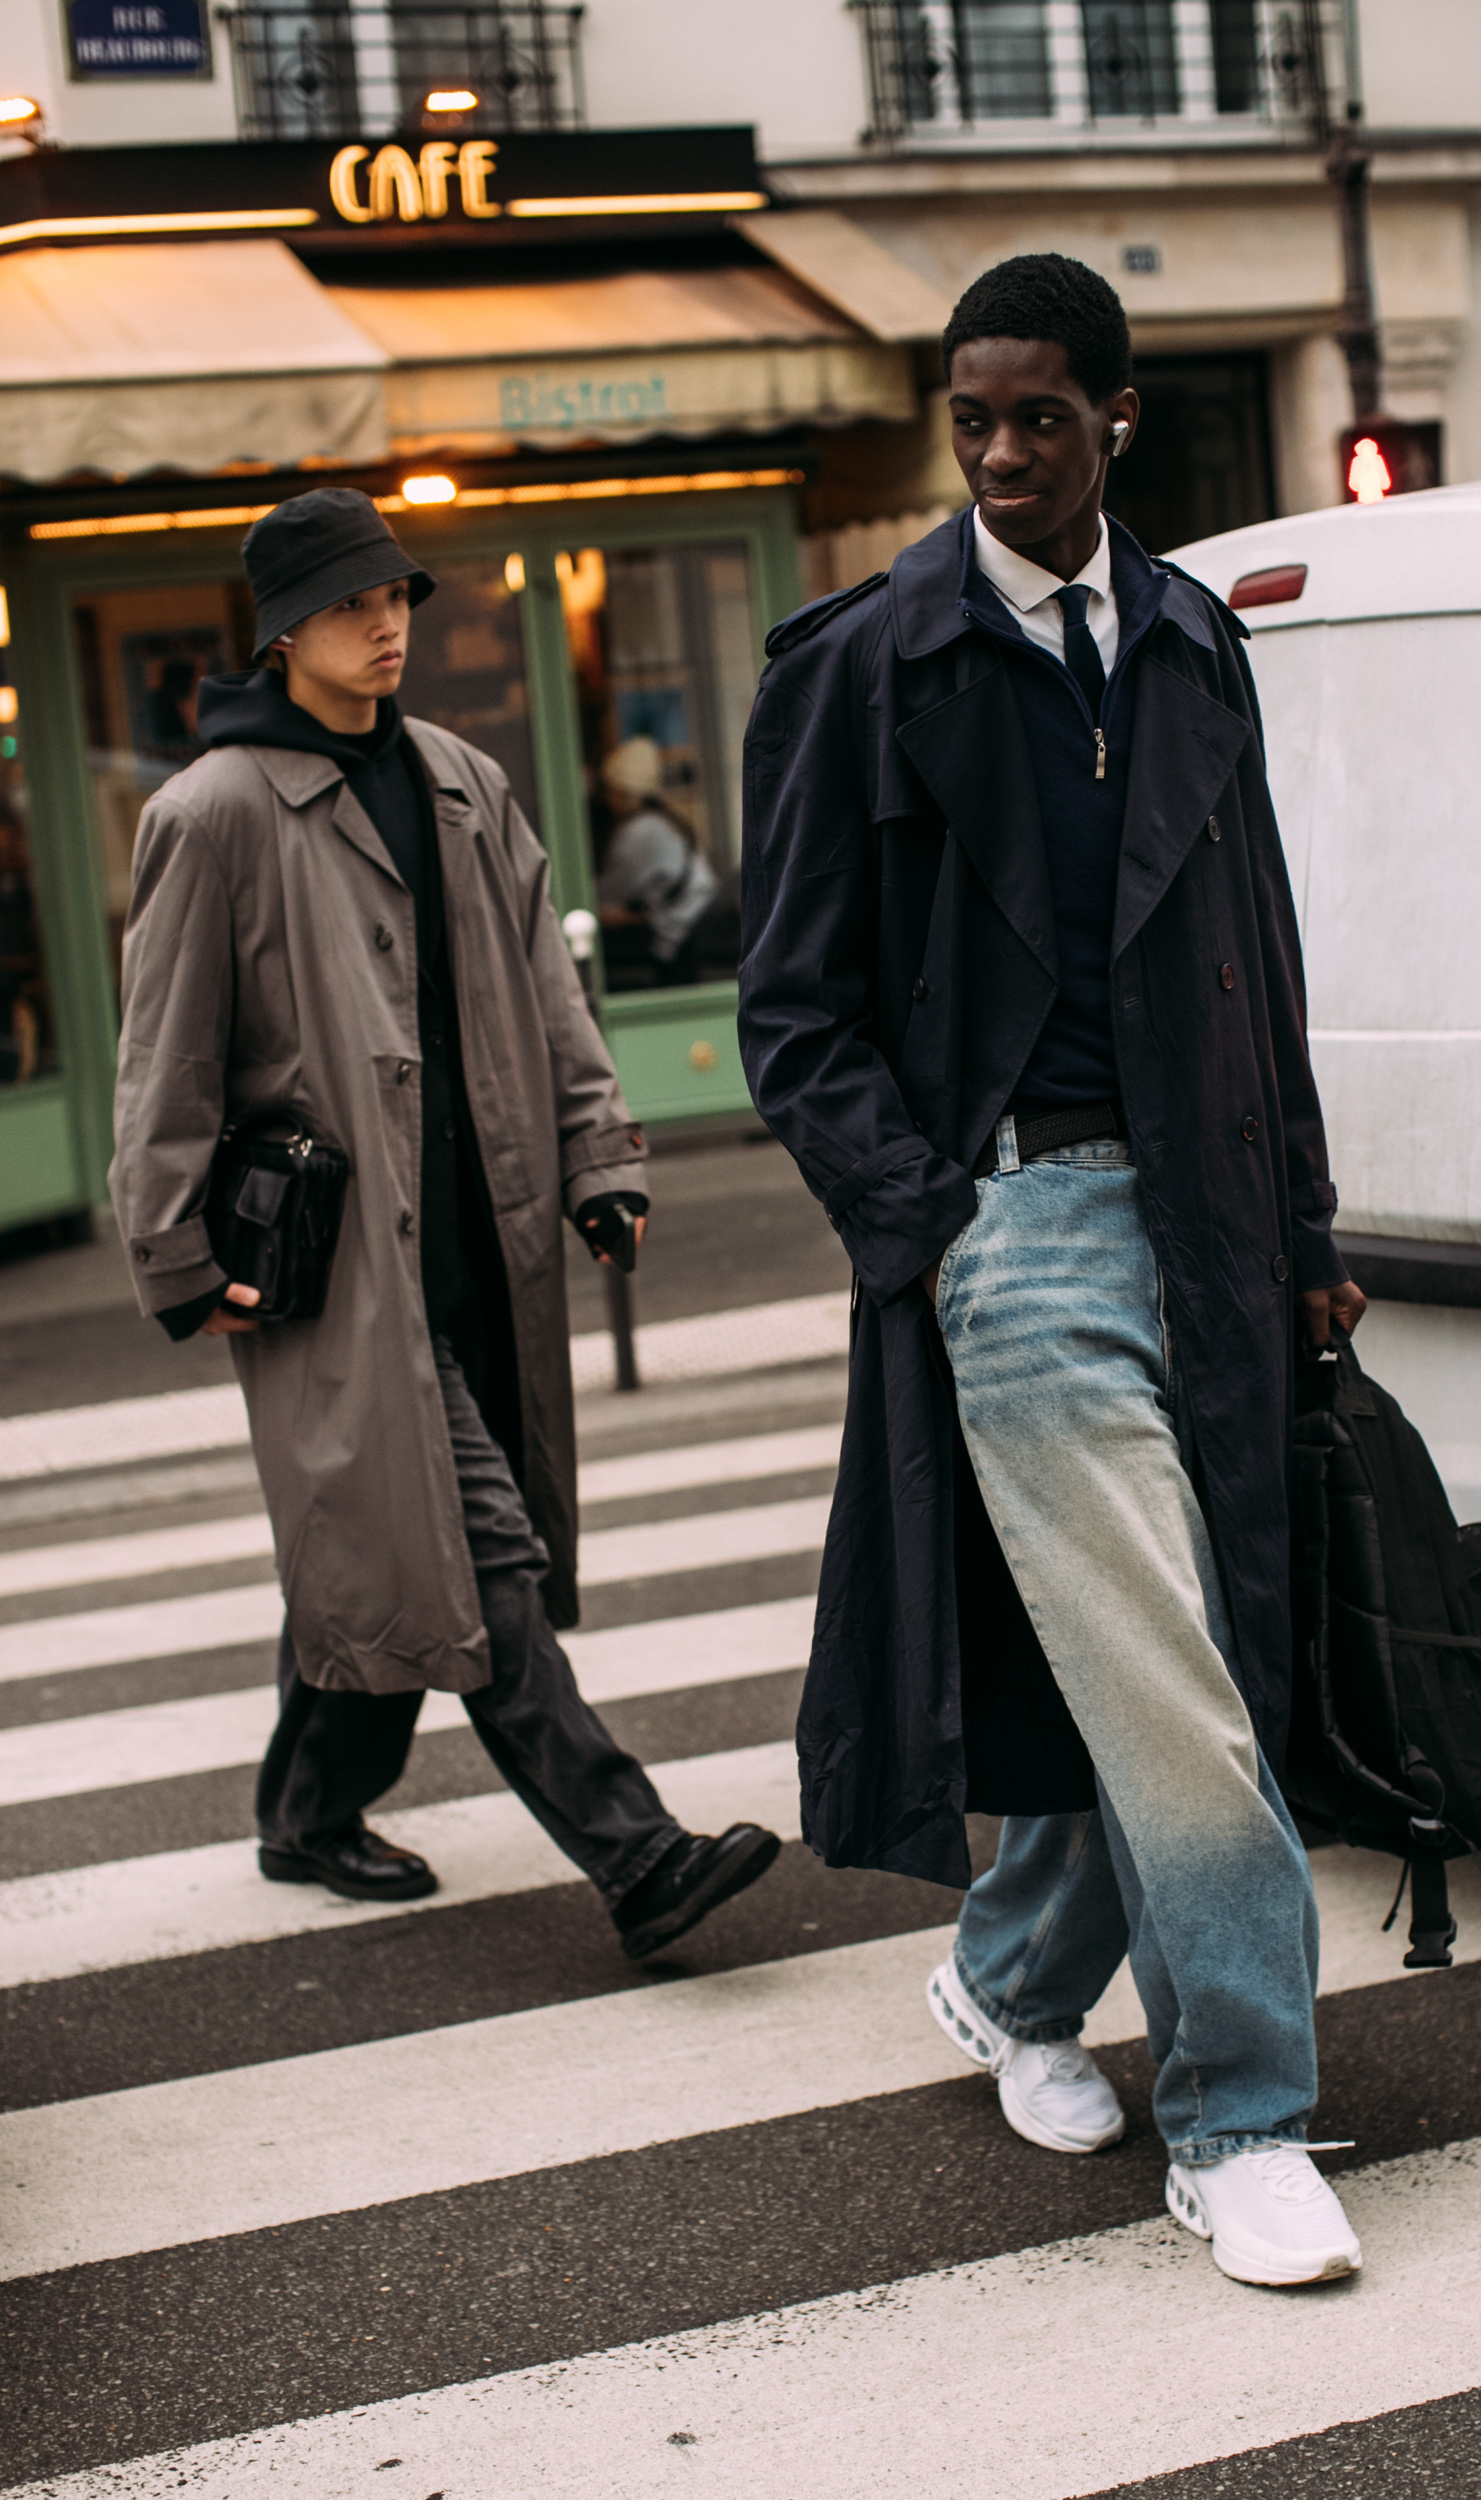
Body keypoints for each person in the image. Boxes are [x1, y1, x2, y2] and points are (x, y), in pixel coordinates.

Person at [738, 256, 1368, 2286]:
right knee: (1189, 1688)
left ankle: (1010, 1982)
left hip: (1206, 1221)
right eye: (967, 416)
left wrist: (1306, 1237)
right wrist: (923, 1217)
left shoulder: (1187, 640)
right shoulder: (857, 661)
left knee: (1148, 1660)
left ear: (1112, 414)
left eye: (1035, 414)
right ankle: (1243, 2118)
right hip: (1013, 1234)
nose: (997, 451)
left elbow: (1255, 960)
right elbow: (792, 1007)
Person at [109, 488, 778, 1961]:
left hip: (488, 1232)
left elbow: (549, 989)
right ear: (283, 631)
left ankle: (305, 1807)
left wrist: (601, 1152)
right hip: (338, 1265)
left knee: (379, 1548)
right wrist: (173, 1245)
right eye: (355, 603)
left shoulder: (463, 780)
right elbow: (166, 1054)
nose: (389, 621)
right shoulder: (211, 815)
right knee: (472, 1551)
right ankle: (635, 1853)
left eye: (400, 596)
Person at [593, 737, 720, 987]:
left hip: (678, 938)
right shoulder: (667, 821)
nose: (607, 799)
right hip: (694, 929)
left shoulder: (639, 832)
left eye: (610, 790)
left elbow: (609, 894)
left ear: (623, 791)